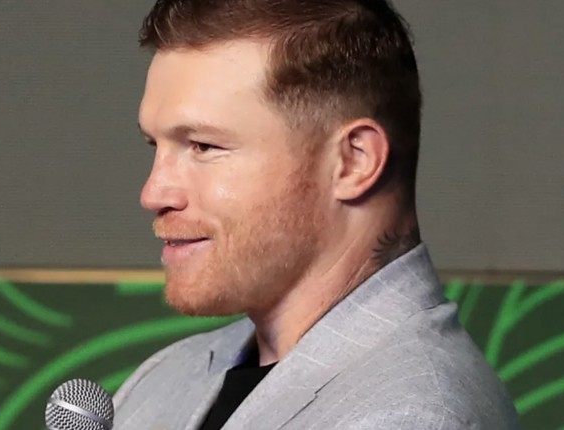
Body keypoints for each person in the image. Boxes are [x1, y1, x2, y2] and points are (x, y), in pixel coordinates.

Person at [114, 0, 521, 428]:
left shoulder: (412, 416)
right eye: (154, 145)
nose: (153, 193)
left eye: (203, 146)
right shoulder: (165, 377)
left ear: (354, 161)